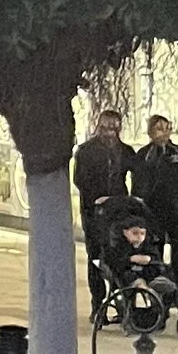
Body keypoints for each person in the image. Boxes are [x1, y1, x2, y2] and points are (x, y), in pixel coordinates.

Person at [132, 114, 178, 315]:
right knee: (154, 252)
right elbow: (137, 186)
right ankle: (158, 290)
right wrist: (137, 213)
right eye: (159, 128)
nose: (164, 133)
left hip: (175, 210)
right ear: (150, 132)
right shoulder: (144, 155)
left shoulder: (177, 153)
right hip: (151, 212)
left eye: (167, 128)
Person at [74, 109, 134, 307]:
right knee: (95, 257)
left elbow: (137, 177)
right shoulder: (86, 151)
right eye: (106, 127)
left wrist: (129, 203)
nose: (109, 133)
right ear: (98, 127)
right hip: (94, 213)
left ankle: (120, 302)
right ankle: (97, 303)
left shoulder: (126, 152)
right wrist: (98, 200)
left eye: (114, 128)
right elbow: (80, 180)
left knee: (119, 257)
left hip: (119, 212)